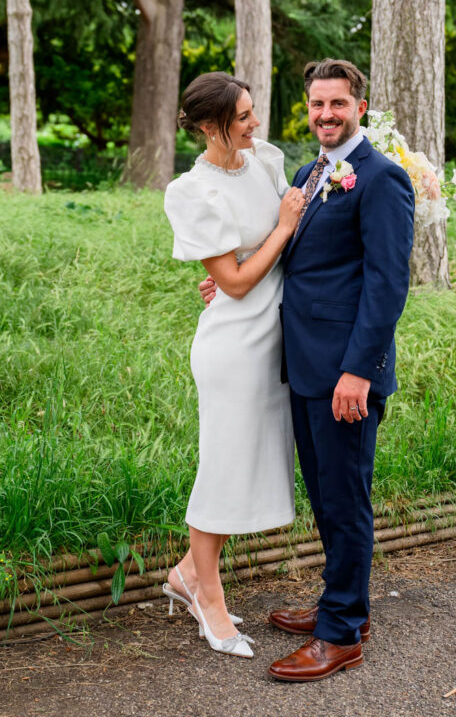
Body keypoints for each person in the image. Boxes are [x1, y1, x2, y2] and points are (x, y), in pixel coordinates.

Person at [200, 58, 415, 681]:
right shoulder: (310, 172)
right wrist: (230, 284)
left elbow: (386, 284)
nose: (326, 114)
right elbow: (294, 255)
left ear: (360, 109)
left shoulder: (380, 179)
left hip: (346, 373)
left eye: (338, 105)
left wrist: (361, 372)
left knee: (345, 500)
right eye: (317, 104)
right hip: (302, 364)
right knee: (326, 495)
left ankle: (341, 634)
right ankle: (343, 605)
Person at [162, 71, 305, 660]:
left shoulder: (266, 160)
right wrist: (283, 228)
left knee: (245, 463)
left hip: (275, 337)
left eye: (251, 111)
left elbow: (254, 260)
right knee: (221, 467)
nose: (255, 122)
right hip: (233, 345)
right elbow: (239, 283)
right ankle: (209, 602)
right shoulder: (190, 192)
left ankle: (185, 573)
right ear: (209, 125)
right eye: (243, 116)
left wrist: (267, 245)